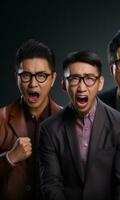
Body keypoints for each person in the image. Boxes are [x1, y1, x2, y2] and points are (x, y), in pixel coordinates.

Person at [39, 51, 120, 200]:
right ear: (64, 84)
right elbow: (52, 184)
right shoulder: (49, 129)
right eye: (74, 79)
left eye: (89, 79)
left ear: (100, 83)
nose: (82, 88)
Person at [0, 39, 61, 200]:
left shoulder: (67, 121)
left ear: (53, 79)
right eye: (26, 75)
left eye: (41, 76)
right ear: (17, 77)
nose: (33, 84)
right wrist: (10, 158)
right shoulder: (1, 119)